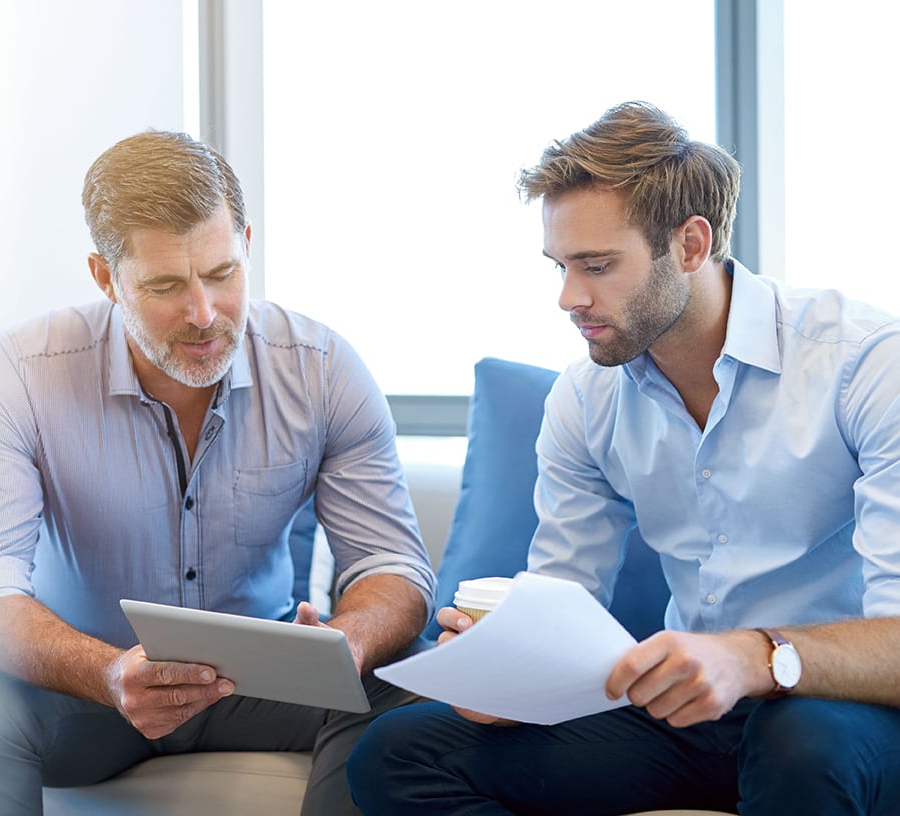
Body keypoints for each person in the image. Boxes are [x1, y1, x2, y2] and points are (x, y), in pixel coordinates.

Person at [348, 101, 900, 815]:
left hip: (841, 707)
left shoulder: (862, 365)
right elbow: (564, 599)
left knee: (799, 742)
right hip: (692, 718)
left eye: (597, 266)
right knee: (397, 755)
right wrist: (508, 673)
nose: (568, 297)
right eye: (560, 266)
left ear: (691, 245)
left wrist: (753, 657)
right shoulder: (587, 396)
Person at [0, 130, 435, 815]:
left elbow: (392, 563)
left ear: (246, 242)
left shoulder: (320, 367)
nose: (202, 315)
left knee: (409, 679)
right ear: (105, 277)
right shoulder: (21, 371)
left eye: (221, 275)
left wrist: (350, 640)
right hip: (87, 689)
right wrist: (106, 673)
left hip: (264, 685)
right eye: (164, 285)